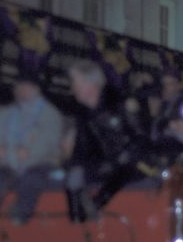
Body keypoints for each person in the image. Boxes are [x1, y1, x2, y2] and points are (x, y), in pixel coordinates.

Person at [64, 59, 154, 222]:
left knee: (127, 166)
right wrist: (75, 166)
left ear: (89, 84)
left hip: (134, 164)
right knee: (74, 175)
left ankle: (97, 205)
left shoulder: (121, 103)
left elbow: (141, 138)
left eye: (75, 84)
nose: (72, 89)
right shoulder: (83, 115)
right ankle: (76, 222)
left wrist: (125, 155)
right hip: (106, 164)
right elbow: (83, 148)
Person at [0, 75, 64, 218]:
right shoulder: (6, 114)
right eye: (18, 87)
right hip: (10, 168)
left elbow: (47, 140)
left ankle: (19, 219)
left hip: (41, 167)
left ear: (36, 90)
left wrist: (30, 152)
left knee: (30, 181)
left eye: (25, 87)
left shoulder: (50, 114)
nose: (21, 91)